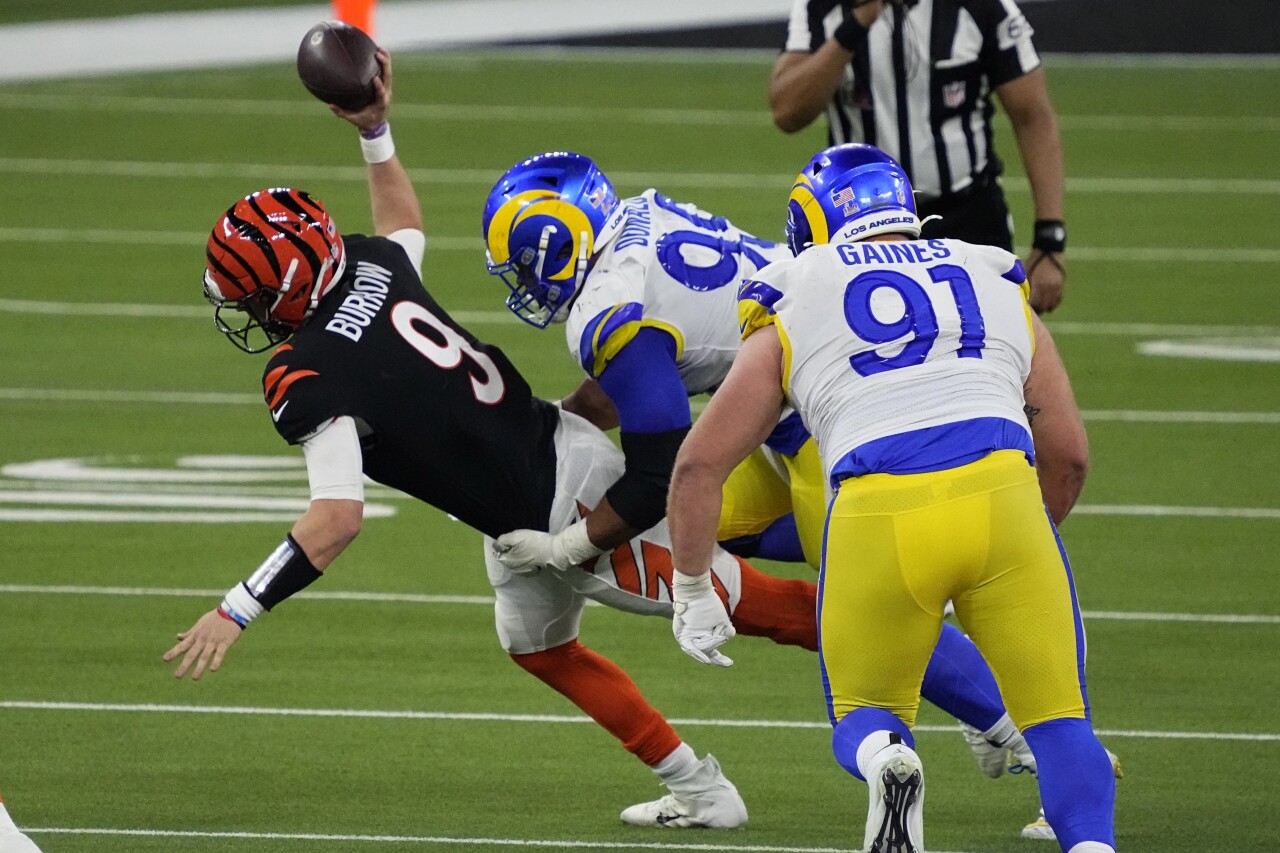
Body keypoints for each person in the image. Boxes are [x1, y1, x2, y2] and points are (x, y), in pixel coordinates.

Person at [163, 49, 821, 830]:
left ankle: (921, 639)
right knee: (539, 648)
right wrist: (374, 131)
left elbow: (335, 520)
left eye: (248, 297)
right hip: (529, 478)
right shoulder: (372, 265)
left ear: (283, 292)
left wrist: (237, 607)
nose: (245, 313)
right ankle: (703, 789)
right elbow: (403, 221)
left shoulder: (306, 373)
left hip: (563, 504)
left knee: (773, 610)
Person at [665, 142, 1115, 853]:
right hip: (1005, 497)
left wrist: (693, 588)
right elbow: (1070, 454)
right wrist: (1020, 541)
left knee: (865, 713)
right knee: (1060, 723)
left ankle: (886, 761)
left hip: (879, 510)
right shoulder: (990, 271)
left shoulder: (794, 285)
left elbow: (699, 465)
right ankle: (1092, 845)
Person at [771, 0, 1068, 314]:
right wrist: (855, 25)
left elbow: (1032, 116)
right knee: (863, 339)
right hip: (860, 225)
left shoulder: (984, 7)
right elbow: (787, 111)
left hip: (966, 217)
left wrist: (1049, 239)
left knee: (990, 337)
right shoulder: (822, 7)